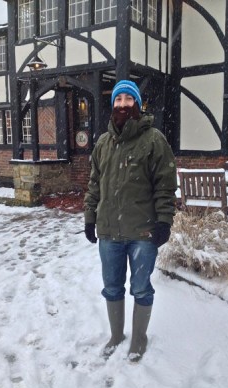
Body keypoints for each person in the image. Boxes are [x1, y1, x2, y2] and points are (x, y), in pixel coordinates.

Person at [84, 80, 177, 362]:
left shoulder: (154, 140)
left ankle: (139, 338)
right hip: (109, 232)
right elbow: (94, 184)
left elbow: (165, 185)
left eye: (128, 99)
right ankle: (116, 335)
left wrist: (164, 221)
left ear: (137, 103)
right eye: (118, 99)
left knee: (140, 287)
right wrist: (90, 218)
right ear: (113, 104)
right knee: (112, 286)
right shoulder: (103, 143)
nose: (123, 104)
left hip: (143, 232)